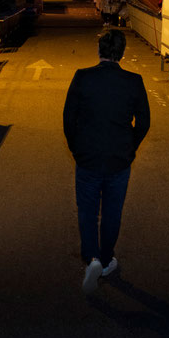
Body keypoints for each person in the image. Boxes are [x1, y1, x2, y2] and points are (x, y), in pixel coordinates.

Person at [63, 29, 150, 294]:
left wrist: (77, 149)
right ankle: (107, 256)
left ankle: (92, 258)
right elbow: (144, 123)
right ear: (122, 53)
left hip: (88, 158)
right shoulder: (134, 81)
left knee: (87, 210)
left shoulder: (83, 78)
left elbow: (69, 120)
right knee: (112, 212)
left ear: (100, 51)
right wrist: (130, 148)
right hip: (118, 160)